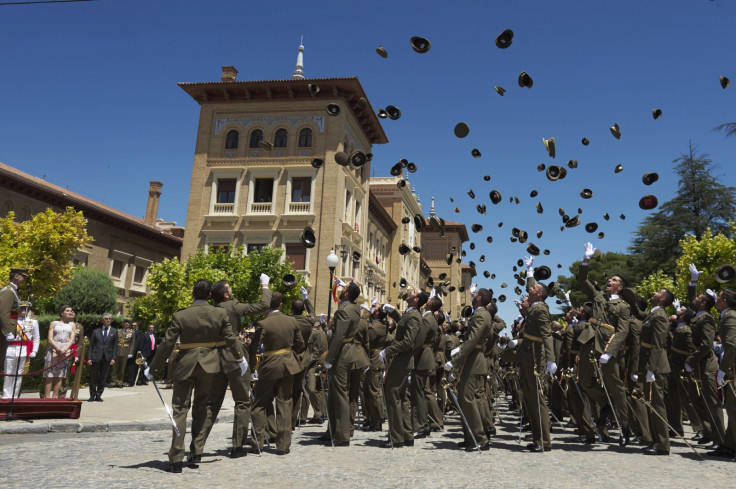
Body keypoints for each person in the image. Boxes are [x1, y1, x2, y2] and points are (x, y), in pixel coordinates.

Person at [145, 278, 247, 473]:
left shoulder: (181, 315)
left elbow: (167, 344)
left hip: (185, 365)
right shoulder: (219, 313)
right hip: (209, 365)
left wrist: (153, 368)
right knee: (202, 407)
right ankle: (197, 450)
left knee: (180, 409)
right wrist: (240, 358)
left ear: (193, 293)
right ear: (209, 295)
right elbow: (230, 339)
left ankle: (176, 457)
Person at [198, 274, 271, 459]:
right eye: (229, 288)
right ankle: (237, 446)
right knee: (242, 401)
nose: (231, 290)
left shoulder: (210, 310)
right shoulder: (233, 306)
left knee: (212, 404)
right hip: (235, 357)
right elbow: (262, 305)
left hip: (215, 358)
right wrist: (264, 285)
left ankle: (197, 446)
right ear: (225, 295)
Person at [578, 242, 632, 447]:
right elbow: (582, 279)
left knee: (616, 388)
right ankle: (605, 403)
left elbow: (623, 331)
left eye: (614, 280)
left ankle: (624, 427)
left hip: (607, 347)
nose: (610, 280)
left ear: (621, 287)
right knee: (584, 381)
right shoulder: (599, 297)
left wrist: (609, 352)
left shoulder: (624, 307)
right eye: (610, 279)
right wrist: (586, 259)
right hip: (590, 343)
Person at [249, 291, 304, 455]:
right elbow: (300, 344)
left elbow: (253, 348)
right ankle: (283, 445)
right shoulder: (291, 321)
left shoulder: (263, 323)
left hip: (270, 365)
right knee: (285, 403)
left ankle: (257, 442)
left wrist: (252, 368)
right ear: (281, 305)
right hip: (288, 364)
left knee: (259, 404)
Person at [443, 288, 493, 451]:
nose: (471, 296)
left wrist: (455, 361)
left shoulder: (481, 315)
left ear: (478, 298)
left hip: (473, 361)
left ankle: (479, 438)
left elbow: (472, 341)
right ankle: (471, 435)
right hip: (473, 359)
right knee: (467, 399)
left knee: (468, 398)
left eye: (474, 294)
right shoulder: (481, 314)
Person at [685, 265, 726, 451]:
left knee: (712, 403)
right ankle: (709, 432)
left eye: (699, 299)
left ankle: (720, 439)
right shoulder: (698, 316)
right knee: (701, 401)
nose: (694, 300)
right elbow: (691, 298)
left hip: (707, 366)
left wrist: (690, 361)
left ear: (703, 304)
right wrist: (693, 282)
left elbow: (706, 345)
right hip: (699, 365)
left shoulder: (707, 319)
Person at [379, 289, 426, 448]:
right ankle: (406, 434)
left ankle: (396, 437)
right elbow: (404, 326)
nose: (410, 291)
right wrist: (395, 314)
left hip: (402, 360)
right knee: (402, 399)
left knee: (392, 397)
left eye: (414, 292)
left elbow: (407, 341)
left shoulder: (414, 316)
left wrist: (387, 350)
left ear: (416, 299)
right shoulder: (410, 314)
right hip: (402, 360)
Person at [629, 288, 674, 455]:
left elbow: (657, 344)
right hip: (649, 363)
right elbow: (640, 314)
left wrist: (651, 369)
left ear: (662, 299)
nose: (653, 293)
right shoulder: (653, 313)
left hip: (655, 366)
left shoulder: (661, 316)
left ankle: (663, 445)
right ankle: (656, 441)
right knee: (651, 404)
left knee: (657, 405)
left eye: (657, 292)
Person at [321, 282, 362, 446]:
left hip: (341, 354)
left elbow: (338, 337)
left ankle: (342, 435)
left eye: (343, 289)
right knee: (333, 395)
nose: (340, 290)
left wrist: (329, 359)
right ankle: (332, 430)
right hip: (348, 351)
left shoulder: (344, 311)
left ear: (346, 294)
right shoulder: (354, 307)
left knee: (339, 395)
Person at [712, 288, 736, 459]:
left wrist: (723, 369)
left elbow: (732, 346)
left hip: (733, 368)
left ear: (725, 301)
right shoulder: (727, 315)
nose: (716, 300)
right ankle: (729, 445)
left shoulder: (730, 316)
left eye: (718, 298)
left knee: (733, 409)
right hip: (731, 367)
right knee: (731, 407)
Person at [3, 301, 40, 399]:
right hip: (11, 349)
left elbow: (36, 338)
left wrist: (34, 351)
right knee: (8, 373)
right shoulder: (11, 321)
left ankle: (14, 396)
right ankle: (6, 395)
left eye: (26, 308)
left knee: (19, 374)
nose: (24, 310)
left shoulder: (34, 322)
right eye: (22, 308)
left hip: (24, 350)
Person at [43, 305, 78, 399]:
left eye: (71, 311)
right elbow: (50, 338)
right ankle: (46, 398)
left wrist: (66, 349)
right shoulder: (54, 323)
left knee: (59, 376)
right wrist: (57, 348)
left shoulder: (72, 325)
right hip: (54, 349)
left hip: (65, 350)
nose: (70, 312)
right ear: (61, 312)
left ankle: (54, 398)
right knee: (49, 376)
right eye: (67, 311)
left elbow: (72, 339)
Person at [85, 313, 118, 402]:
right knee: (93, 377)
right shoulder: (96, 331)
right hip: (96, 357)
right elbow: (91, 346)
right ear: (102, 320)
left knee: (103, 377)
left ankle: (99, 395)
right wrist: (89, 358)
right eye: (106, 319)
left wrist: (113, 358)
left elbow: (115, 346)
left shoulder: (114, 331)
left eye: (110, 319)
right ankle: (92, 395)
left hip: (107, 357)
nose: (108, 320)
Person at [1, 268, 27, 369]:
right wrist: (7, 331)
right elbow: (3, 312)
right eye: (23, 276)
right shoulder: (8, 291)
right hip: (3, 332)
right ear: (16, 276)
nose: (24, 279)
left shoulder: (13, 290)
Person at [110, 319, 135, 388]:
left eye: (128, 323)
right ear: (123, 324)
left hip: (125, 352)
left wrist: (130, 352)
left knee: (122, 368)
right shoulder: (118, 331)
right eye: (125, 323)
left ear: (129, 324)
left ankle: (120, 382)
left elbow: (132, 343)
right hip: (117, 351)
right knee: (115, 367)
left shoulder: (132, 332)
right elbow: (114, 341)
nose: (126, 324)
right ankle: (113, 382)